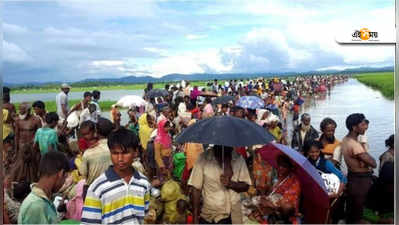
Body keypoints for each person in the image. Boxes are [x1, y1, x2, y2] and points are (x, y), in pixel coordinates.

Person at [81, 128, 151, 224]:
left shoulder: (143, 183)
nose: (120, 159)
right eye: (115, 153)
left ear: (135, 152)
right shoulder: (97, 187)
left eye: (125, 153)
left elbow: (145, 217)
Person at [188, 145, 251, 224]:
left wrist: (230, 184)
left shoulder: (238, 158)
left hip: (234, 215)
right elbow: (196, 188)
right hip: (210, 215)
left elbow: (246, 186)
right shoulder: (203, 158)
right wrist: (195, 218)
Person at [341, 113, 376, 224]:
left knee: (352, 208)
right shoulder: (355, 145)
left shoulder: (346, 140)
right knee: (358, 209)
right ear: (354, 127)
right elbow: (373, 163)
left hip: (353, 177)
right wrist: (364, 147)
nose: (366, 127)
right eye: (363, 124)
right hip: (360, 180)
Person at [18, 151, 70, 224]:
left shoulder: (44, 200)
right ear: (61, 174)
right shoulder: (36, 206)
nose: (64, 182)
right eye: (65, 177)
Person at [259, 155, 301, 224]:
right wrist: (266, 197)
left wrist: (271, 204)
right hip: (272, 213)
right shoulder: (279, 177)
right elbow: (272, 192)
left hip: (287, 217)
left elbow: (288, 207)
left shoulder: (294, 181)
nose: (280, 168)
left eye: (284, 166)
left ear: (290, 167)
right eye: (279, 165)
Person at [12, 102, 42, 183]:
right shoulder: (18, 121)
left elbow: (40, 135)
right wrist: (15, 150)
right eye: (20, 110)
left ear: (28, 110)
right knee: (20, 169)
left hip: (32, 148)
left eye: (22, 110)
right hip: (21, 148)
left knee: (33, 170)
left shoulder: (36, 120)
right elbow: (16, 136)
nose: (20, 112)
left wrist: (37, 148)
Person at [79, 118, 113, 186]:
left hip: (93, 187)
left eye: (88, 133)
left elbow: (82, 173)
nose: (86, 136)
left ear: (95, 132)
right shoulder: (117, 148)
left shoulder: (88, 153)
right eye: (84, 134)